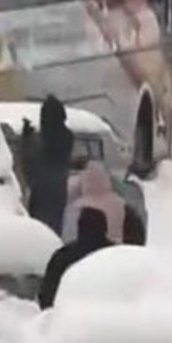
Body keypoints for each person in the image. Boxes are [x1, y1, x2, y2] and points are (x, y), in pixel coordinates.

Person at [39, 207, 111, 309]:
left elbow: (47, 297)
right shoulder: (114, 255)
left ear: (79, 227)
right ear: (105, 227)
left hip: (69, 317)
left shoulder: (63, 257)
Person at [25, 95, 74, 233]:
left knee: (39, 230)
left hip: (41, 193)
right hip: (58, 191)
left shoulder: (44, 140)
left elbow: (32, 162)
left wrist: (27, 138)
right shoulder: (67, 137)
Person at [62, 162, 126, 244]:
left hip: (85, 253)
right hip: (115, 253)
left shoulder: (76, 209)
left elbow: (68, 238)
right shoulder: (122, 205)